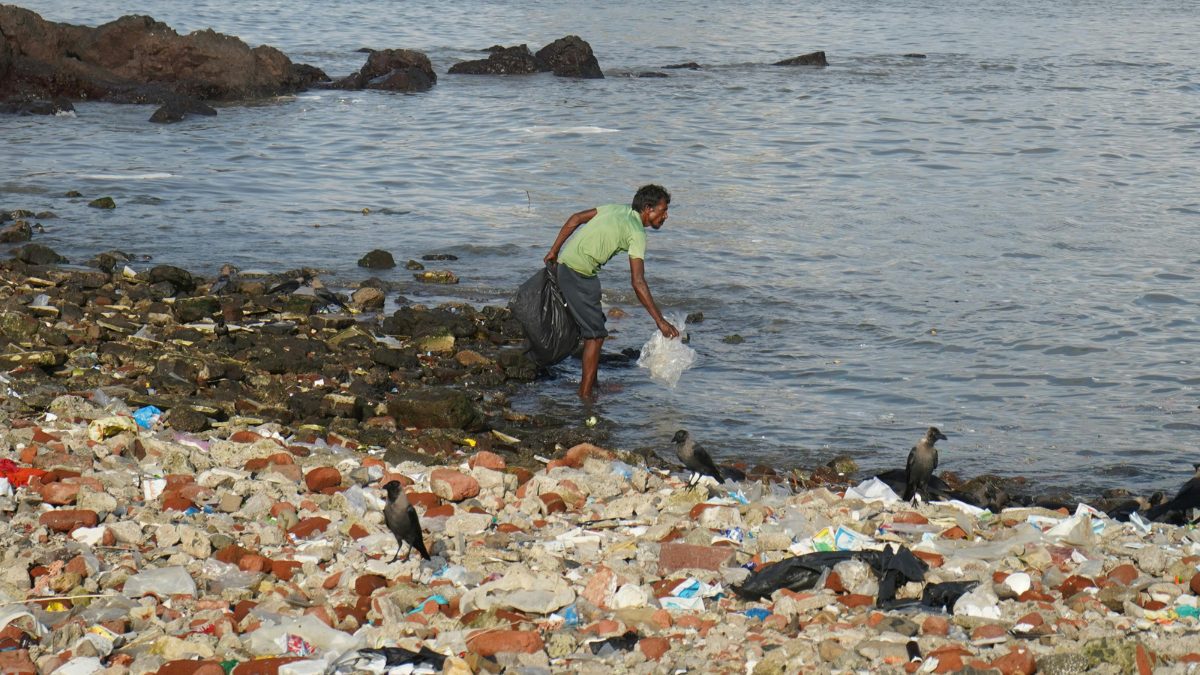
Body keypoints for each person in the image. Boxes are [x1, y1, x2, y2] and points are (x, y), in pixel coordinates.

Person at [544, 184, 680, 399]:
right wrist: (660, 321)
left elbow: (575, 218)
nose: (666, 216)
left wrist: (554, 251)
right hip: (577, 273)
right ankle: (586, 394)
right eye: (663, 211)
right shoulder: (637, 232)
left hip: (573, 268)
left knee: (597, 324)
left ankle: (593, 384)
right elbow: (638, 282)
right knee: (596, 336)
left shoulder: (616, 209)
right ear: (648, 208)